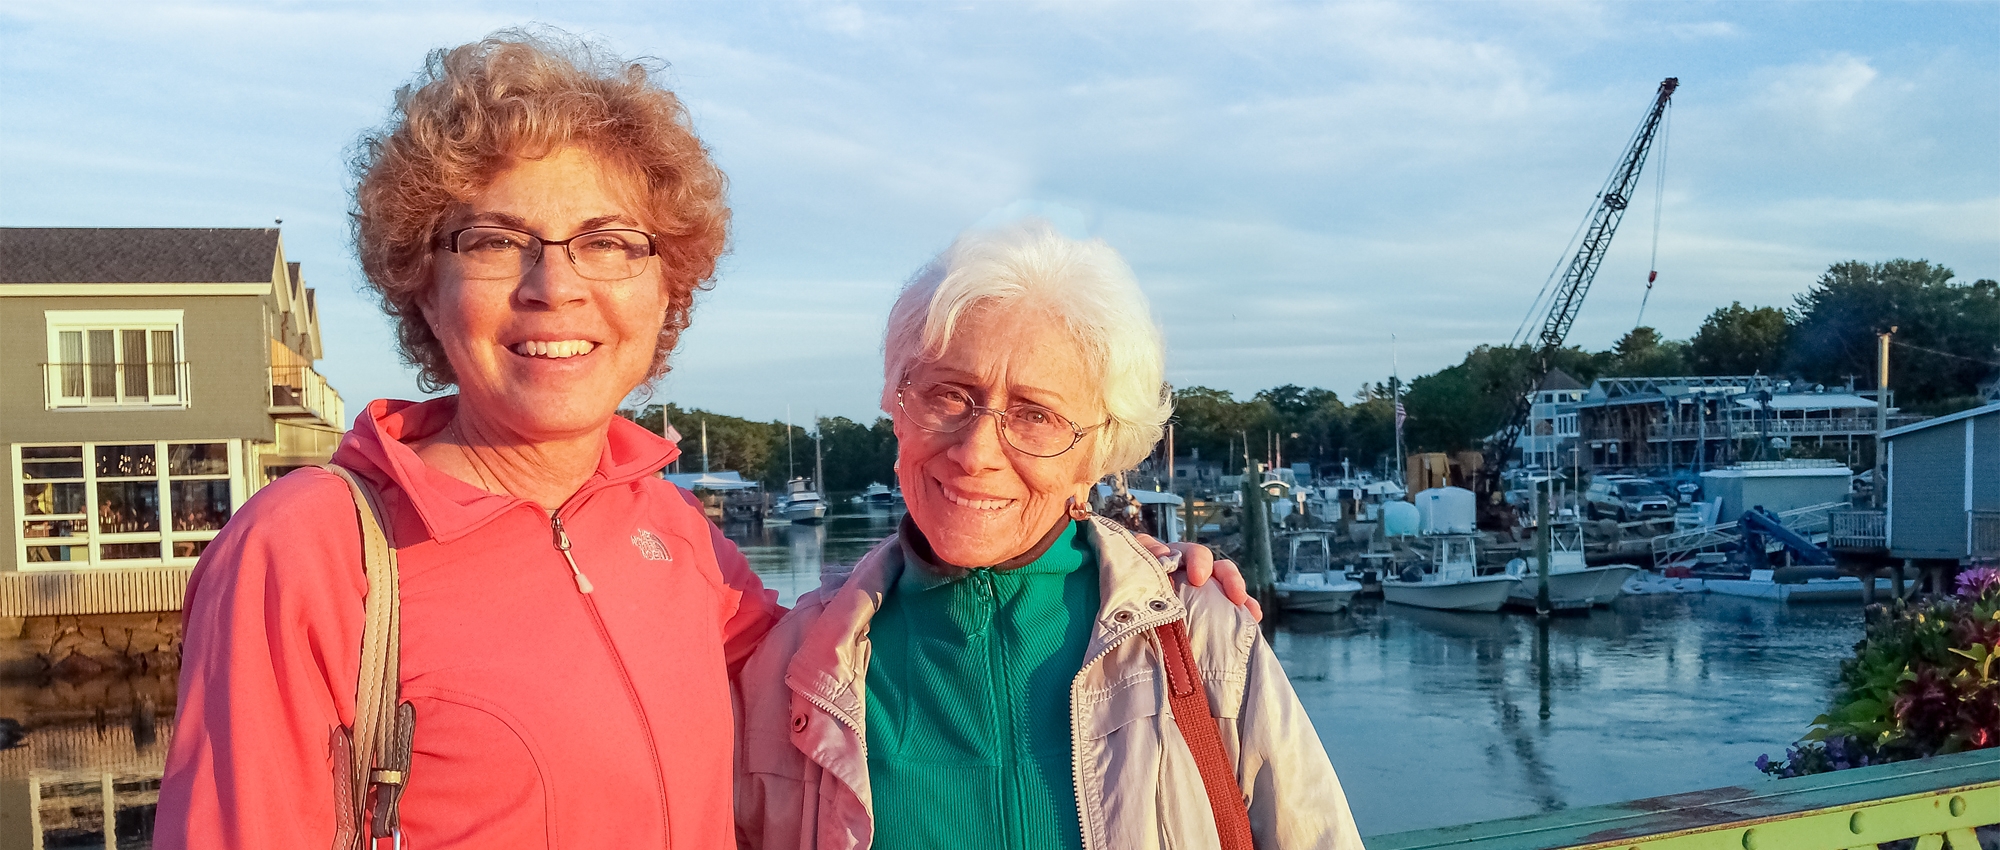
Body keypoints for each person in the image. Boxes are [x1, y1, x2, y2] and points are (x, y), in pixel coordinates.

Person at [157, 30, 1245, 848]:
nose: (554, 286)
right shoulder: (310, 554)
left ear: (661, 290)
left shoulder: (668, 533)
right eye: (494, 239)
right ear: (422, 286)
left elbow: (854, 645)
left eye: (607, 240)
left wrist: (1110, 572)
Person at [735, 221, 1362, 849]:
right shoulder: (792, 669)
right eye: (948, 395)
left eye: (1035, 414)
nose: (977, 453)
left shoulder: (1202, 642)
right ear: (898, 408)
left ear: (1096, 454)